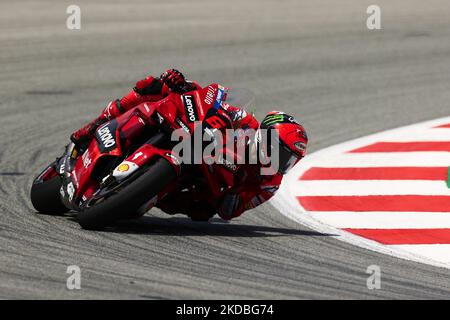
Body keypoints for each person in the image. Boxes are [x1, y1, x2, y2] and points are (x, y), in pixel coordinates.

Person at [70, 69, 308, 221]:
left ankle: (134, 193)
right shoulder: (245, 122)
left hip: (199, 182)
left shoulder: (269, 183)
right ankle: (92, 127)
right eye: (279, 151)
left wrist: (228, 191)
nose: (279, 161)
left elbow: (230, 210)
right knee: (154, 87)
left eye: (288, 160)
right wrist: (185, 85)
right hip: (189, 137)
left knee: (200, 211)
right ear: (265, 134)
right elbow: (213, 95)